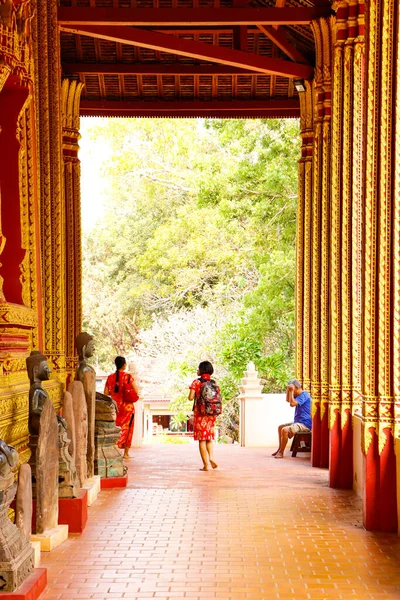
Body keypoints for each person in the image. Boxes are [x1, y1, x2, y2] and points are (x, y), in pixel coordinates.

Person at [104, 356, 139, 459]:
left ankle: (114, 446)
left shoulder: (110, 377)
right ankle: (126, 453)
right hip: (128, 408)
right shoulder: (128, 377)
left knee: (116, 427)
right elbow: (136, 391)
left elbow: (106, 393)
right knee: (127, 429)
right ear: (124, 365)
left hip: (115, 407)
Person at [188, 361, 219, 471]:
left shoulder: (196, 382)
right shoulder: (214, 382)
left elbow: (191, 398)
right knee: (209, 438)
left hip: (200, 413)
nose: (197, 370)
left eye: (198, 368)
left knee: (202, 439)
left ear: (202, 370)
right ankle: (211, 457)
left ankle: (206, 465)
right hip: (211, 414)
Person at [272, 379, 312, 459]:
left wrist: (291, 391)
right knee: (280, 427)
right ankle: (280, 449)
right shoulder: (298, 395)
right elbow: (288, 400)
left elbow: (292, 404)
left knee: (285, 430)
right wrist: (289, 390)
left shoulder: (304, 394)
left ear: (296, 388)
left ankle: (281, 452)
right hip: (298, 422)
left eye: (293, 389)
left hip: (305, 424)